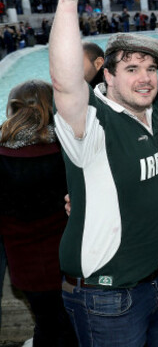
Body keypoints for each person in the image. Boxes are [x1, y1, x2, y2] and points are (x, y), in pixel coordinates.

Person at [50, 0, 158, 346]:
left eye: (151, 69)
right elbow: (67, 83)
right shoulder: (93, 123)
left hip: (157, 282)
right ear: (107, 75)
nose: (145, 78)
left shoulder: (151, 106)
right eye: (132, 68)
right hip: (108, 297)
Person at [0, 80, 77, 347]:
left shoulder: (3, 153)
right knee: (69, 325)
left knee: (46, 323)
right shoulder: (66, 150)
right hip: (68, 262)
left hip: (25, 266)